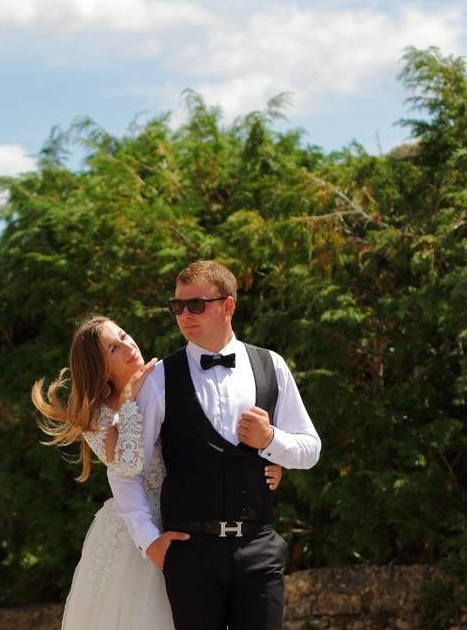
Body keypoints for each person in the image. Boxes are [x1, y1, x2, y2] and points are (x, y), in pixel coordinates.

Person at [32, 316, 284, 629]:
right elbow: (127, 465)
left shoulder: (165, 377)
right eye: (113, 348)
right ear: (99, 367)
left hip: (191, 517)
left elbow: (213, 434)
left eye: (124, 335)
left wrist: (268, 456)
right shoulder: (96, 415)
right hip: (137, 532)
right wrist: (128, 402)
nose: (128, 346)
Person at [109, 261, 322, 630]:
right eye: (178, 307)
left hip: (259, 547)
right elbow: (127, 469)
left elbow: (310, 449)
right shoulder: (160, 378)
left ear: (228, 306)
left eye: (196, 305)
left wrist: (270, 440)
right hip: (190, 554)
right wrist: (150, 542)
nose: (185, 315)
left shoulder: (272, 365)